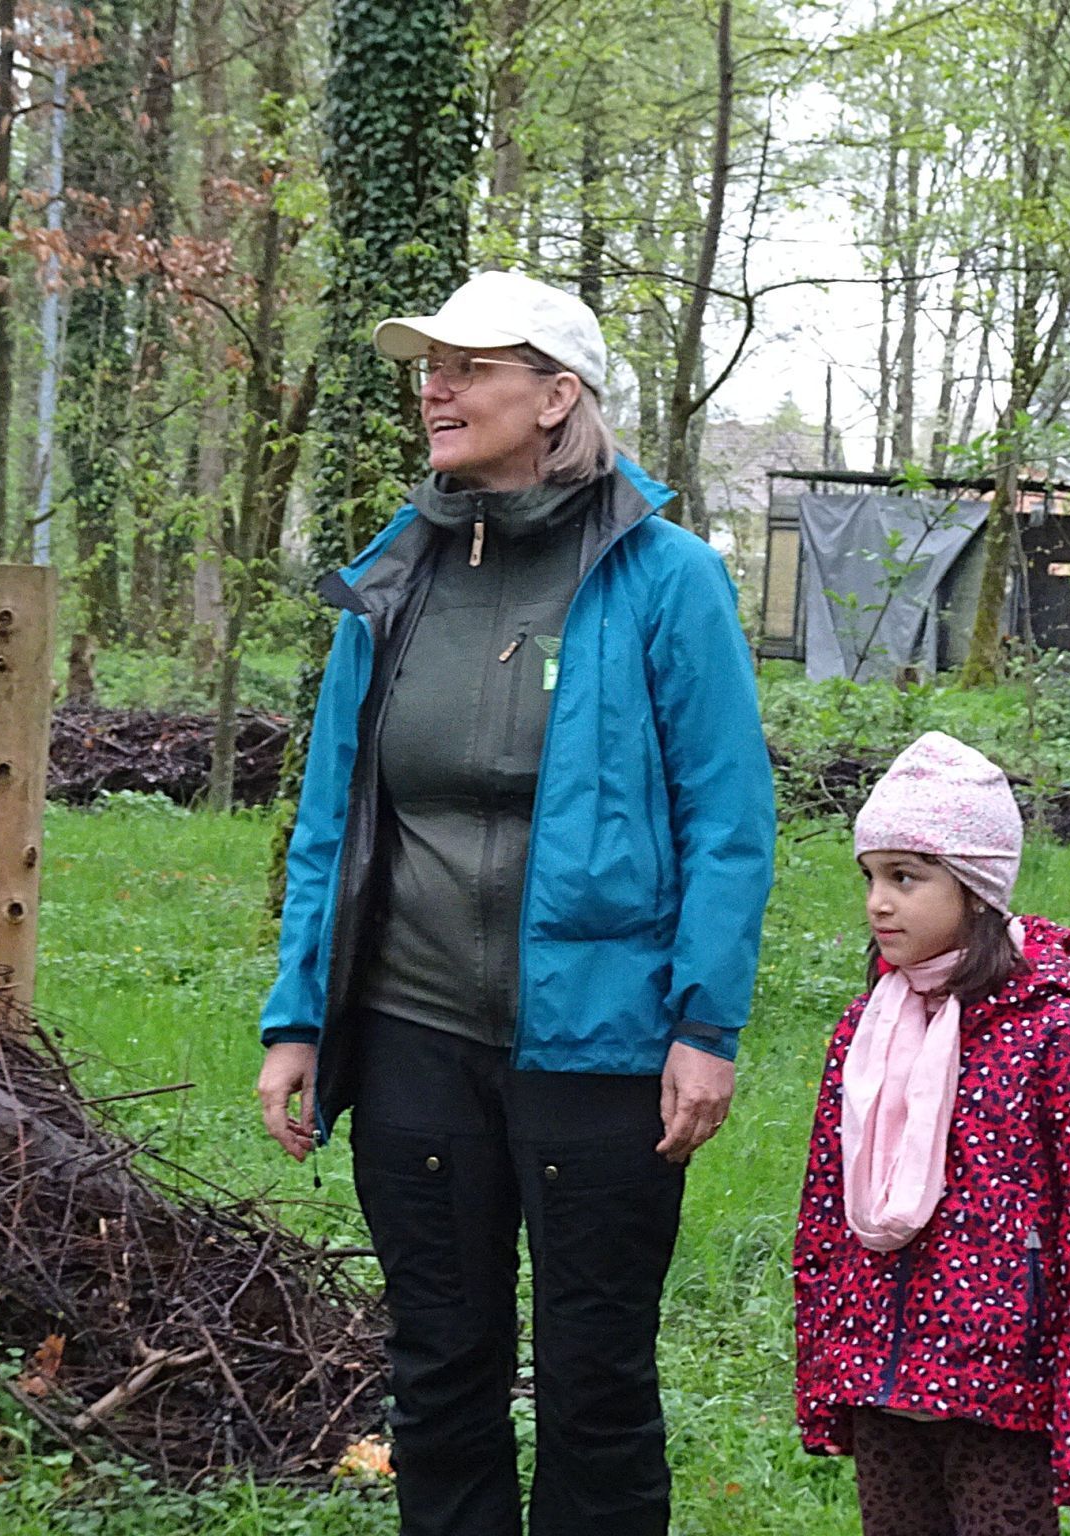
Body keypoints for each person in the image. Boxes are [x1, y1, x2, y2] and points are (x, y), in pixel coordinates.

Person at [254, 269, 775, 1536]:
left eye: (471, 364)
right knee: (440, 1374)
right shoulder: (391, 586)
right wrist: (296, 1017)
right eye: (427, 363)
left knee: (596, 1383)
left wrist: (703, 1025)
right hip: (413, 1031)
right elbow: (332, 819)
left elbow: (727, 818)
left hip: (599, 1048)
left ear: (555, 395)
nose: (435, 385)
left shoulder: (664, 578)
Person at [794, 731, 1070, 1534]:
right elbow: (825, 1208)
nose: (878, 902)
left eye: (906, 878)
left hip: (999, 1397)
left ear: (977, 889)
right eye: (872, 877)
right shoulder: (865, 1028)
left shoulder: (1060, 1038)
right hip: (880, 1382)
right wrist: (825, 1365)